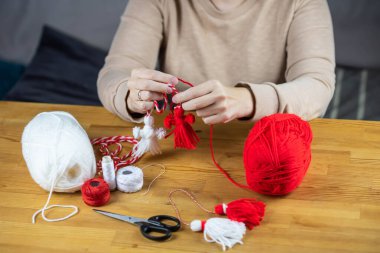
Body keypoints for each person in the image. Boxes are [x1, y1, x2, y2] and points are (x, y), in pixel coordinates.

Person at [97, 0, 335, 124]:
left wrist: (247, 100)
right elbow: (115, 74)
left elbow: (317, 86)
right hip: (184, 146)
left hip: (269, 141)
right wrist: (132, 96)